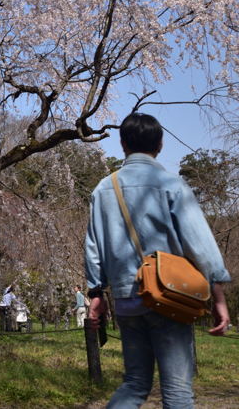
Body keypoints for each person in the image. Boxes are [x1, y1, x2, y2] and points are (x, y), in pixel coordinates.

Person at [84, 112, 231, 409]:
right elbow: (200, 246)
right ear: (161, 145)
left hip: (128, 301)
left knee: (135, 383)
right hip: (169, 297)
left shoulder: (103, 189)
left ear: (122, 144)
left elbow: (93, 246)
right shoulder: (172, 184)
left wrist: (96, 293)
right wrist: (218, 298)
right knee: (177, 391)